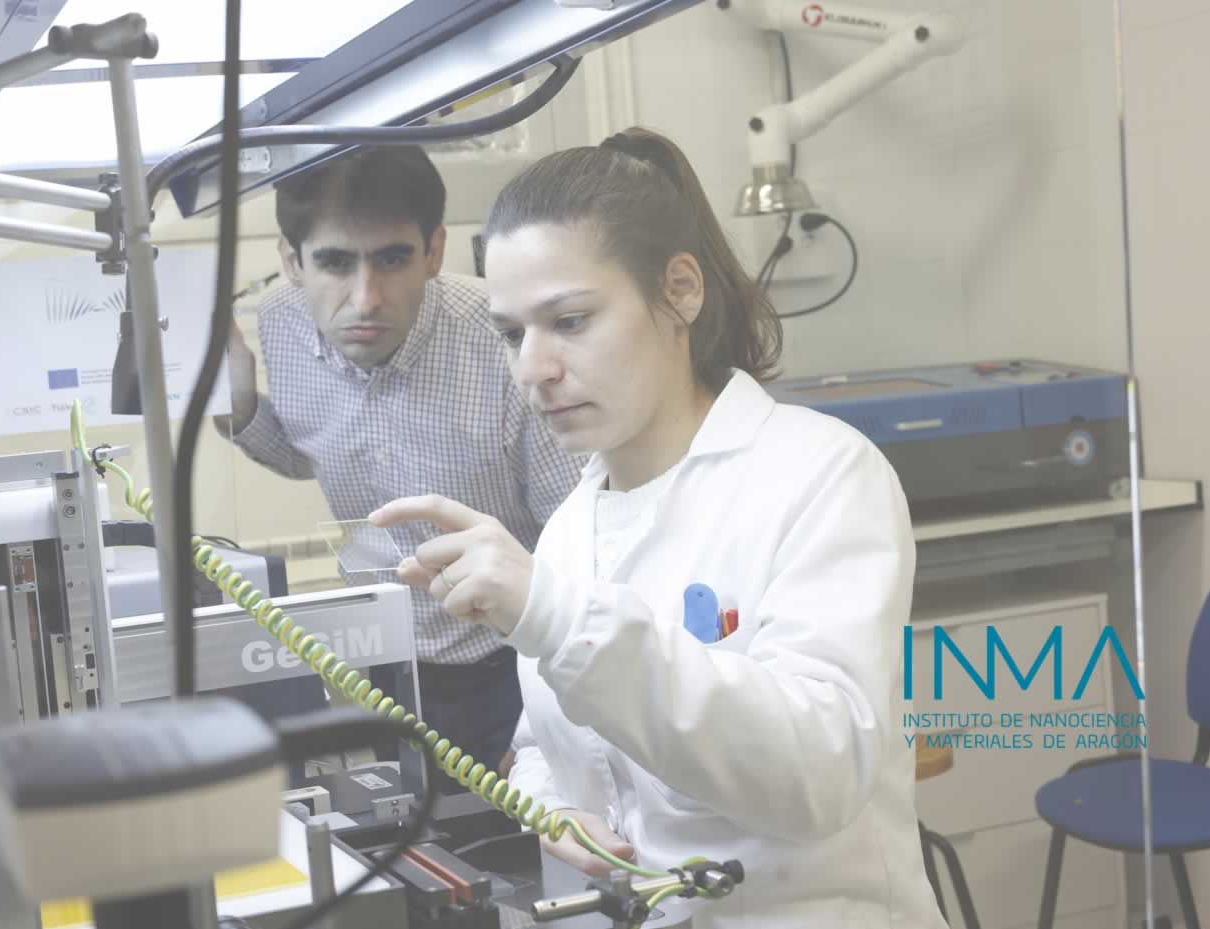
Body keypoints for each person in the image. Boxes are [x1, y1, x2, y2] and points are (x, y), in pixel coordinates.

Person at [370, 127, 947, 928]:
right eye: (512, 332)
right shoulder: (572, 526)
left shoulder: (819, 474)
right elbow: (545, 743)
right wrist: (550, 807)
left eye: (570, 320)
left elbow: (820, 772)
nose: (532, 368)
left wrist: (555, 615)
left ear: (679, 290)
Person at [221, 146, 581, 792]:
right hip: (377, 662)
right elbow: (311, 454)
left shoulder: (501, 341)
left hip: (511, 663)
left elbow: (578, 535)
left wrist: (542, 723)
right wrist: (242, 406)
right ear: (292, 261)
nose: (365, 299)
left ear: (433, 252)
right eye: (335, 262)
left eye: (391, 259)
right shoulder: (281, 323)